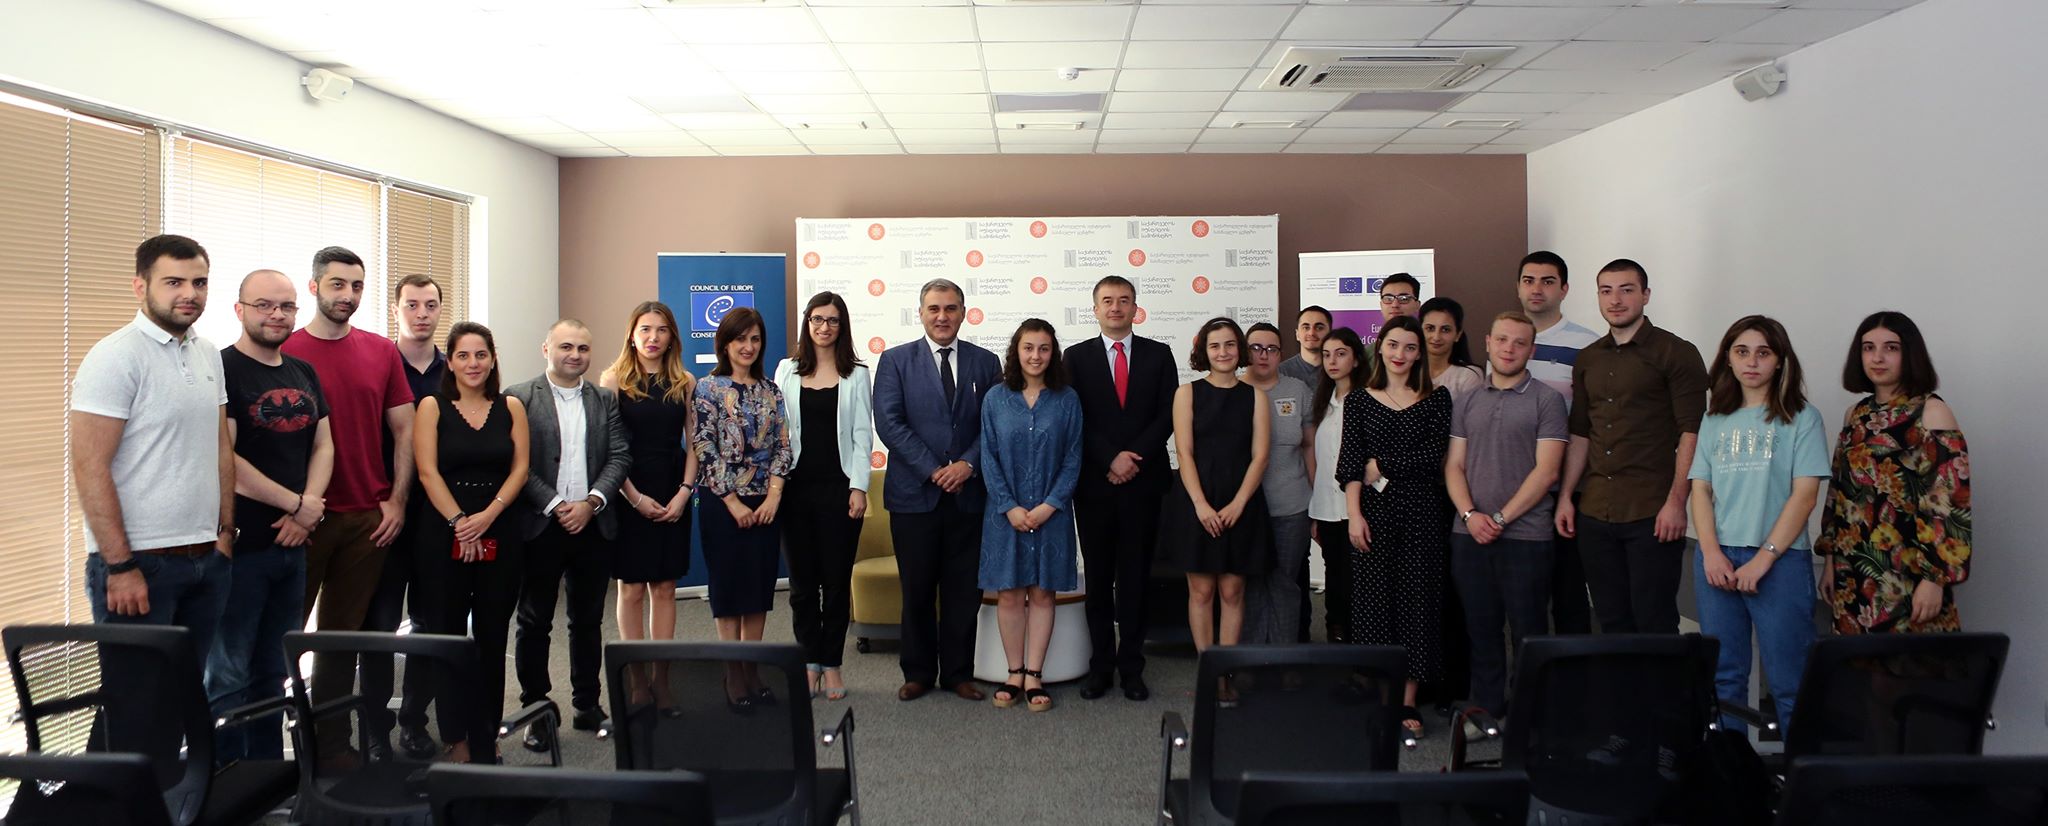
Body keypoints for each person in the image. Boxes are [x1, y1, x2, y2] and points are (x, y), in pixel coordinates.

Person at [282, 246, 416, 769]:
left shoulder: (381, 351)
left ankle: (332, 747)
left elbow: (404, 431)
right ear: (314, 287)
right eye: (338, 284)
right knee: (282, 641)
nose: (348, 295)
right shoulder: (285, 349)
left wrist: (396, 500)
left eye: (357, 286)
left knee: (340, 644)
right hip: (300, 521)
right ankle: (264, 751)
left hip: (366, 520)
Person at [73, 234, 233, 647]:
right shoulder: (115, 356)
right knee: (136, 686)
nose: (189, 294)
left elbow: (220, 449)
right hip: (139, 564)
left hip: (206, 558)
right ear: (140, 287)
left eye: (199, 282)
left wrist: (225, 535)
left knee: (189, 686)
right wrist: (120, 566)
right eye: (173, 282)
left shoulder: (207, 352)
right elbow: (90, 466)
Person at [209, 269, 332, 765]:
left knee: (273, 672)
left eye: (286, 306)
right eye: (264, 305)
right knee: (227, 675)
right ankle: (223, 781)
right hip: (240, 549)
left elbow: (323, 445)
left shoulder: (302, 372)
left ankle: (264, 776)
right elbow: (226, 460)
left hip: (293, 547)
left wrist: (309, 510)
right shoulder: (222, 368)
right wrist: (296, 505)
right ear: (239, 309)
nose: (277, 315)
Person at [1689, 316, 1828, 733]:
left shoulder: (1802, 417)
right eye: (1742, 352)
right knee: (1724, 680)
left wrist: (1764, 559)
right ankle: (1733, 769)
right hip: (1717, 559)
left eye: (1763, 353)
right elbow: (1700, 490)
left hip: (1779, 561)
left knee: (1791, 680)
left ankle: (1800, 770)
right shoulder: (1715, 418)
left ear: (1780, 360)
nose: (1752, 362)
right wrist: (1710, 553)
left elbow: (1805, 496)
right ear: (1728, 360)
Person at [1555, 259, 1708, 635]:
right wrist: (1566, 497)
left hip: (1652, 512)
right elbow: (1581, 433)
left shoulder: (1676, 352)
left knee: (1654, 621)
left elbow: (1692, 432)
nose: (1616, 300)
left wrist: (1677, 503)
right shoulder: (1589, 357)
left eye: (1626, 290)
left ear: (1646, 295)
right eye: (1606, 291)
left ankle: (1660, 680)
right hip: (1594, 511)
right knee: (1611, 620)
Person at [873, 278, 1002, 702]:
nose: (942, 316)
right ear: (921, 313)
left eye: (950, 308)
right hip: (914, 496)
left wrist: (967, 464)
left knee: (964, 592)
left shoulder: (986, 362)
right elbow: (890, 423)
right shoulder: (895, 361)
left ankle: (959, 674)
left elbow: (995, 423)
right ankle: (918, 673)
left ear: (963, 313)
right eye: (934, 308)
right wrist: (933, 470)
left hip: (969, 496)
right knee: (917, 589)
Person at [506, 319, 630, 750]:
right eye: (566, 347)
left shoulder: (604, 399)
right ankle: (536, 711)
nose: (575, 355)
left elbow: (619, 456)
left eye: (582, 348)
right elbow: (517, 465)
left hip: (593, 524)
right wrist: (558, 505)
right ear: (547, 349)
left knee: (588, 620)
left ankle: (587, 705)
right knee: (534, 621)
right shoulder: (519, 397)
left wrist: (591, 502)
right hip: (541, 525)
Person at [413, 321, 529, 764]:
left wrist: (488, 516)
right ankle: (455, 737)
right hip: (444, 532)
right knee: (447, 637)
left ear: (493, 359)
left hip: (500, 528)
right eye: (463, 355)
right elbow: (427, 471)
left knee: (492, 638)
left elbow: (520, 469)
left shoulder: (511, 406)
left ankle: (486, 734)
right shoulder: (432, 406)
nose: (473, 363)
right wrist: (461, 522)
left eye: (481, 354)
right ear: (450, 362)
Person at [1443, 313, 1567, 728]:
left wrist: (1498, 518)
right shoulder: (1467, 399)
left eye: (1519, 342)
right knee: (1481, 630)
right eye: (1502, 340)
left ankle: (1530, 718)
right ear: (1488, 342)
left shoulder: (1547, 400)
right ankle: (1487, 710)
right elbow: (1454, 465)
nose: (1509, 349)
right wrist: (1469, 515)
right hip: (1469, 533)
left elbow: (1547, 472)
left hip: (1527, 536)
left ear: (1532, 349)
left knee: (1529, 630)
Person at [1816, 311, 1970, 634]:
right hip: (1853, 569)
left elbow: (1949, 503)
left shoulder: (1932, 412)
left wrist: (1934, 579)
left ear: (1910, 354)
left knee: (1911, 662)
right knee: (1855, 663)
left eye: (1891, 347)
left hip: (1910, 572)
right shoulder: (1855, 415)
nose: (1878, 357)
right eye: (1868, 348)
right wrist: (1830, 560)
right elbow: (1838, 495)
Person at [1337, 315, 1452, 740]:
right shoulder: (1359, 401)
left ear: (1419, 353)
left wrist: (1381, 464)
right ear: (1379, 347)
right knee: (1373, 604)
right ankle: (1380, 695)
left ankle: (1407, 700)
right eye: (1392, 345)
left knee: (1417, 606)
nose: (1400, 354)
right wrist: (1354, 515)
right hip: (1372, 515)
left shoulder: (1437, 399)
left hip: (1422, 514)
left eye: (1409, 347)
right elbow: (1350, 464)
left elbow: (1432, 458)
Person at [1064, 275, 1177, 702]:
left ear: (1135, 308)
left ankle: (1132, 667)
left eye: (1124, 300)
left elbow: (1167, 413)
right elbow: (1075, 416)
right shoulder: (1075, 357)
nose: (1116, 307)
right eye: (1107, 301)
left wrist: (1133, 458)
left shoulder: (1159, 354)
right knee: (1097, 579)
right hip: (1095, 485)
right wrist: (1110, 458)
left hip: (1144, 484)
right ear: (1095, 309)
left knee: (1135, 579)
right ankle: (1101, 667)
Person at [1159, 317, 1272, 697]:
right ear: (1203, 352)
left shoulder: (1255, 397)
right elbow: (1184, 454)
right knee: (1201, 591)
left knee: (1233, 591)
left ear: (1239, 349)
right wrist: (1201, 506)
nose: (1223, 352)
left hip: (1241, 501)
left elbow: (1260, 457)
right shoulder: (1187, 394)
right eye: (1214, 346)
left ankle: (1227, 672)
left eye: (1229, 344)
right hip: (1197, 501)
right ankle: (1208, 670)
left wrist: (1239, 504)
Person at [691, 306, 795, 706]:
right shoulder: (708, 388)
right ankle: (732, 671)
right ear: (725, 343)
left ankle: (753, 666)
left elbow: (783, 445)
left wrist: (773, 496)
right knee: (728, 587)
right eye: (740, 339)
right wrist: (732, 501)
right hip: (723, 503)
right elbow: (704, 447)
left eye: (755, 339)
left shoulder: (771, 390)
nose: (748, 346)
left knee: (758, 588)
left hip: (766, 503)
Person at [979, 319, 1083, 712]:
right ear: (1016, 352)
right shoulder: (995, 398)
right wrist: (1009, 506)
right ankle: (1014, 672)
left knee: (1042, 593)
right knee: (1009, 593)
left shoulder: (1067, 399)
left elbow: (1073, 457)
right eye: (1028, 348)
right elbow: (988, 457)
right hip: (1004, 515)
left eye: (1044, 348)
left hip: (1052, 514)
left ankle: (1035, 675)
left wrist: (1048, 506)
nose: (1036, 356)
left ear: (1053, 353)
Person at [773, 292, 873, 701]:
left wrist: (859, 486)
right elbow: (777, 429)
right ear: (807, 322)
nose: (824, 327)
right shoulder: (787, 369)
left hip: (839, 490)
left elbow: (863, 434)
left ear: (841, 325)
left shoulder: (857, 373)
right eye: (817, 319)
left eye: (832, 320)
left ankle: (832, 664)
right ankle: (809, 663)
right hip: (794, 490)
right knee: (801, 587)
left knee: (834, 584)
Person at [361, 272, 444, 761]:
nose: (421, 313)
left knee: (429, 625)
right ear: (396, 310)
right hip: (385, 516)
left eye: (430, 305)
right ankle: (375, 728)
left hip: (436, 519)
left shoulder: (454, 370)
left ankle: (414, 720)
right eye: (411, 304)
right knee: (379, 625)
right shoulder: (377, 364)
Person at [599, 302, 697, 711]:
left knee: (665, 588)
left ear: (672, 336)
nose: (653, 337)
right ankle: (637, 679)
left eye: (661, 330)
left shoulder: (685, 381)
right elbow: (608, 446)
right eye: (645, 329)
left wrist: (684, 492)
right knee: (632, 589)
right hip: (629, 488)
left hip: (672, 487)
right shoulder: (613, 379)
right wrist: (634, 497)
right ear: (632, 334)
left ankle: (662, 679)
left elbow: (694, 442)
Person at [1517, 251, 1601, 635]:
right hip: (1515, 488)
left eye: (1548, 281)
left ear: (1564, 289)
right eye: (1529, 280)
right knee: (1525, 597)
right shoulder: (1508, 340)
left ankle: (1573, 670)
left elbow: (1592, 421)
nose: (1537, 289)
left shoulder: (1588, 346)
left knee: (1568, 592)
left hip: (1568, 489)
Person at [1241, 323, 1312, 646]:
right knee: (1250, 584)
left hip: (1291, 506)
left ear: (1281, 354)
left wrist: (1315, 501)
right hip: (1246, 507)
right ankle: (1253, 659)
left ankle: (1285, 658)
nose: (1263, 355)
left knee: (1284, 583)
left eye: (1271, 349)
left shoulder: (1298, 390)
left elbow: (1309, 447)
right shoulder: (1234, 390)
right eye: (1256, 347)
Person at [1307, 327, 1369, 644]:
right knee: (1335, 579)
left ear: (1356, 359)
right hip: (1326, 508)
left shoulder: (1370, 400)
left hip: (1359, 508)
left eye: (1340, 354)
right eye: (1326, 355)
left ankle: (1362, 647)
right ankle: (1337, 642)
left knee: (1360, 582)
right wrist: (1315, 513)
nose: (1332, 361)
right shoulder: (1323, 403)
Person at [1420, 297, 1486, 401]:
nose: (1436, 337)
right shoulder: (1407, 370)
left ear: (1458, 334)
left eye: (1445, 330)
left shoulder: (1468, 375)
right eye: (1430, 328)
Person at [1279, 305, 1331, 389]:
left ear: (1330, 334)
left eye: (1319, 328)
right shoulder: (1281, 372)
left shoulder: (1339, 371)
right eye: (1306, 327)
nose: (1311, 333)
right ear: (1297, 334)